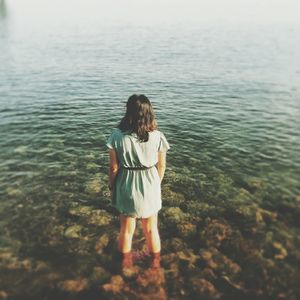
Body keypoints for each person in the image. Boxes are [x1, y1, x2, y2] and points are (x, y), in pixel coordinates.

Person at [105, 94, 170, 269]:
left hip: (126, 184)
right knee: (151, 229)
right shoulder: (157, 136)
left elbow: (113, 168)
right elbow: (162, 166)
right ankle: (155, 264)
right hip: (150, 183)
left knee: (126, 230)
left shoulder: (117, 135)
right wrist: (155, 184)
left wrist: (112, 185)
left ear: (128, 111)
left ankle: (125, 265)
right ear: (149, 112)